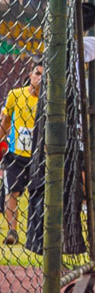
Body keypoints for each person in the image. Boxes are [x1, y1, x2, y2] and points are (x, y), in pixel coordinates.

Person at [1, 62, 42, 245]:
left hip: (39, 157)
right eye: (37, 73)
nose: (39, 78)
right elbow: (6, 121)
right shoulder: (16, 95)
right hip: (16, 155)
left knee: (40, 194)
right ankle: (12, 231)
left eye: (43, 75)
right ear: (30, 75)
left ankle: (39, 233)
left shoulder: (49, 102)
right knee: (12, 193)